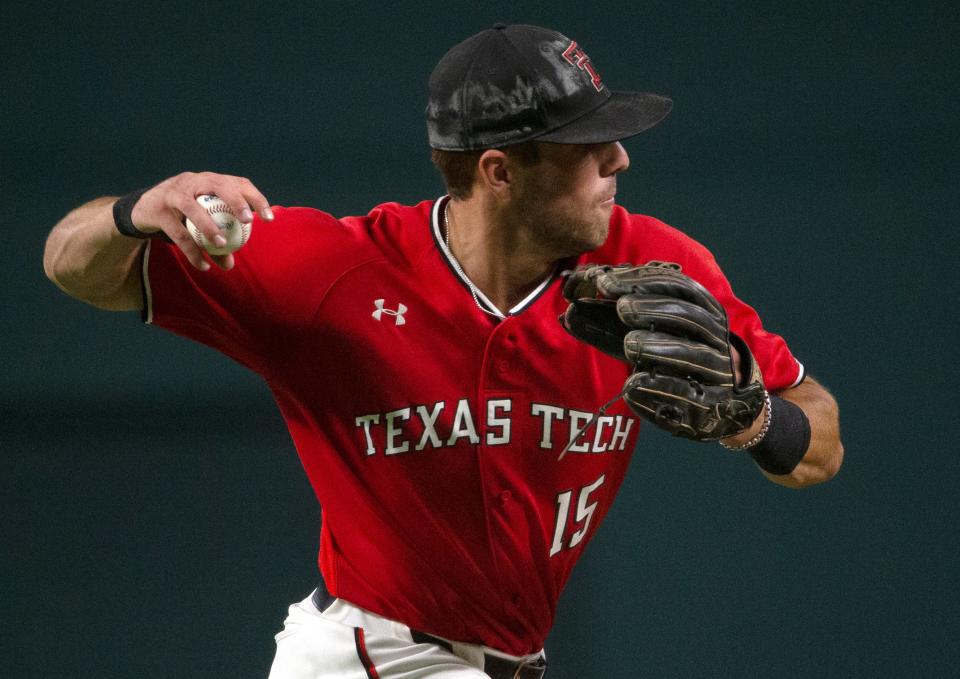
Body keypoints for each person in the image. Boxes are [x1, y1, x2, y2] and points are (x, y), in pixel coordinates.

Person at [43, 23, 843, 679]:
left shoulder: (653, 268)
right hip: (370, 656)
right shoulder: (331, 271)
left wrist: (751, 417)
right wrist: (129, 214)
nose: (619, 159)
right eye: (586, 143)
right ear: (499, 170)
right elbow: (69, 262)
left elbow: (822, 439)